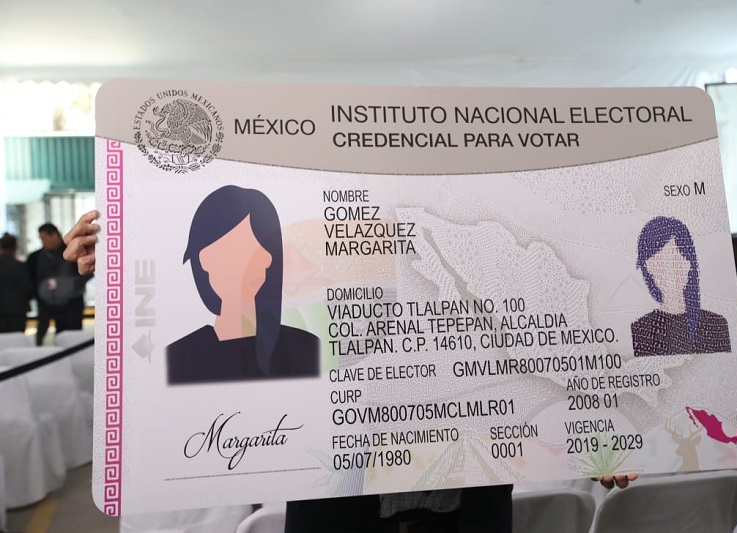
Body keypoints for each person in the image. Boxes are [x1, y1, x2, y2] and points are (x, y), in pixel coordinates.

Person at [64, 209, 637, 532]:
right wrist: (116, 258)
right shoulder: (307, 321)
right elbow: (218, 317)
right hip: (336, 514)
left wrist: (608, 442)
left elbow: (555, 379)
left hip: (470, 510)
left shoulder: (493, 302)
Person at [165, 185, 319, 384]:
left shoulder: (305, 347)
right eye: (237, 249)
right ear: (203, 259)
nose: (264, 259)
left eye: (263, 247)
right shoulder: (180, 357)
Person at [631, 216, 731, 356]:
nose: (669, 271)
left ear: (689, 263)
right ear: (648, 269)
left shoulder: (716, 324)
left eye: (676, 257)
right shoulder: (641, 330)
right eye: (658, 261)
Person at [26, 222, 88, 345]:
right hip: (45, 303)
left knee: (71, 339)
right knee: (41, 334)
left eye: (44, 238)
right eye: (41, 239)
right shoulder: (35, 257)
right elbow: (30, 279)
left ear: (55, 235)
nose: (43, 242)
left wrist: (70, 286)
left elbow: (86, 272)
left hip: (71, 304)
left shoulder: (74, 252)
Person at [0, 232, 32, 333]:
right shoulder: (21, 267)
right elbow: (28, 288)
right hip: (18, 311)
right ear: (15, 247)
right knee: (17, 339)